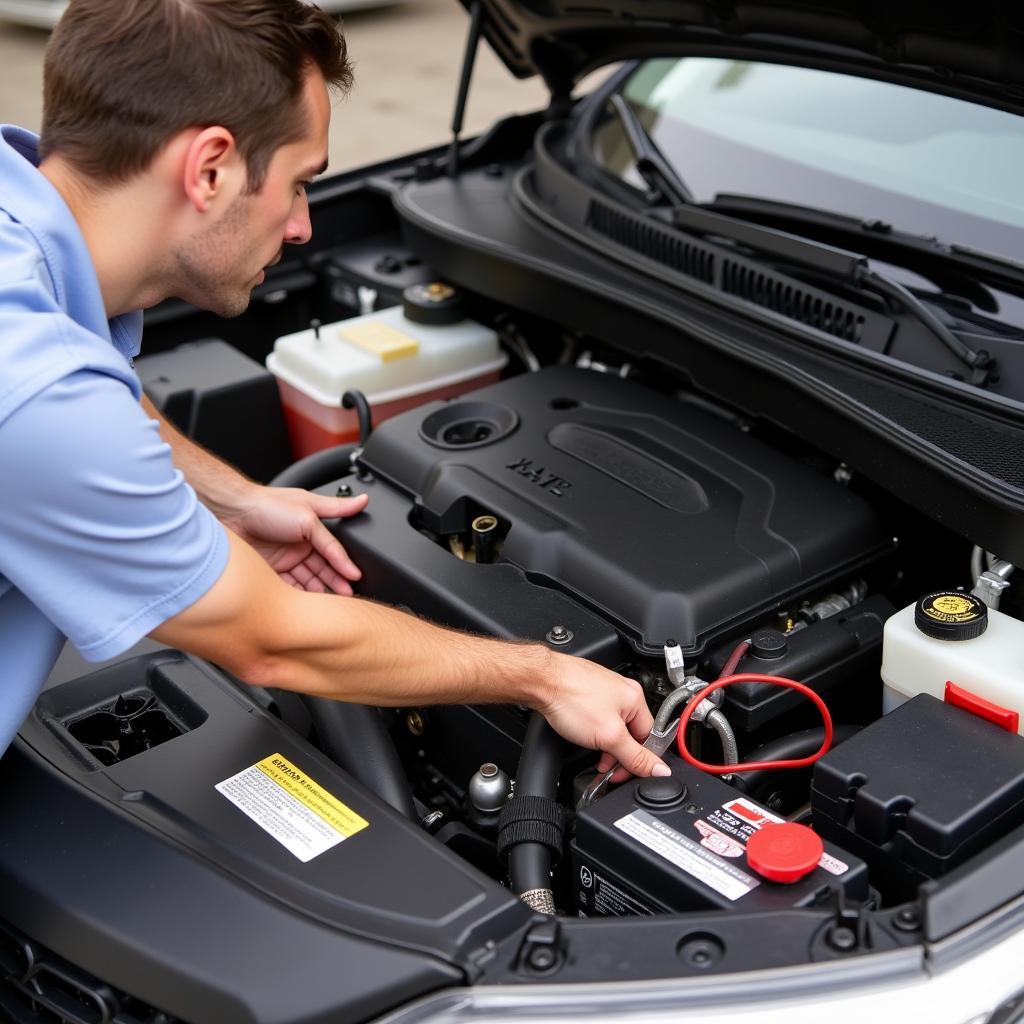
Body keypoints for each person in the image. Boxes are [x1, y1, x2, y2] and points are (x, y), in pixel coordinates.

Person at [0, 0, 670, 782]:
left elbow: (92, 386)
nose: (303, 228)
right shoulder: (35, 386)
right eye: (298, 183)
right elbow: (271, 638)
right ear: (209, 168)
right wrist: (548, 675)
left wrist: (233, 497)